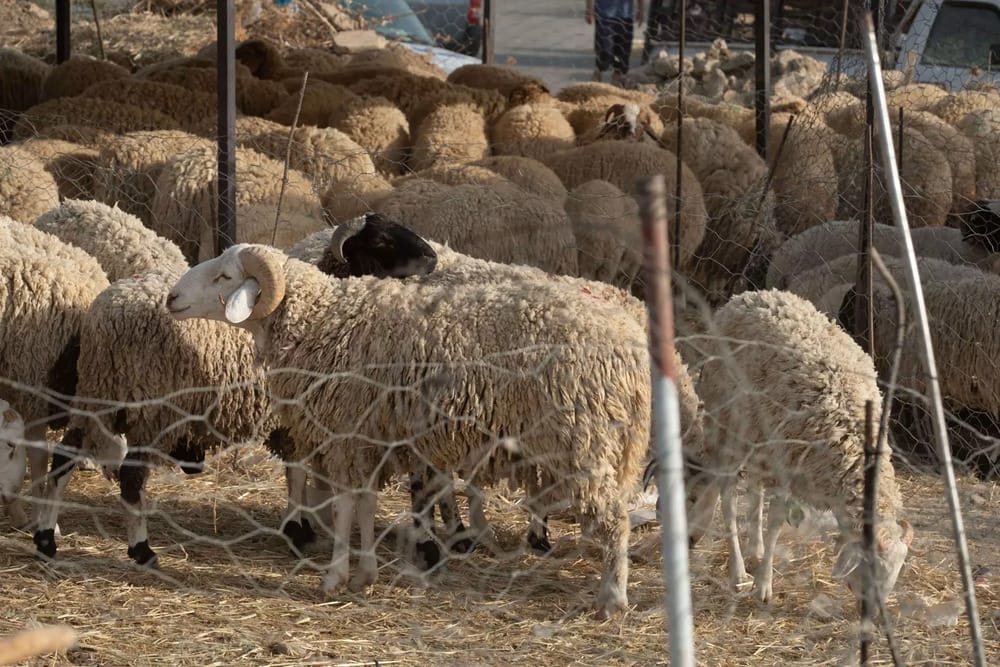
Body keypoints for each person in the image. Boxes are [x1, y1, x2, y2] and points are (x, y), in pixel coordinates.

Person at [585, 0, 645, 87]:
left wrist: (640, 10)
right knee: (606, 50)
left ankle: (616, 80)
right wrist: (589, 10)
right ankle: (599, 70)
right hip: (604, 16)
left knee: (623, 52)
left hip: (625, 16)